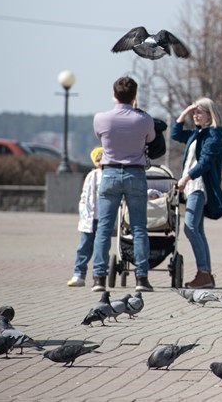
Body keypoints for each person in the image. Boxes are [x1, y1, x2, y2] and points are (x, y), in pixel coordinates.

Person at [92, 76, 156, 292]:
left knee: (104, 227)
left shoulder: (101, 118)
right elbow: (150, 139)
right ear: (135, 95)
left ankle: (99, 278)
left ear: (114, 93)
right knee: (138, 228)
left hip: (109, 173)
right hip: (135, 174)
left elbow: (101, 137)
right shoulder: (144, 119)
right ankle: (141, 278)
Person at [172, 97, 222, 289]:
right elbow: (175, 135)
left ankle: (204, 273)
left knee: (190, 228)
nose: (195, 115)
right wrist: (184, 114)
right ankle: (206, 275)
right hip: (191, 186)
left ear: (209, 115)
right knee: (198, 230)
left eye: (199, 112)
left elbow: (204, 163)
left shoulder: (213, 136)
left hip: (198, 187)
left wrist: (186, 178)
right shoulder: (199, 133)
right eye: (194, 112)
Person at [67, 147, 104, 287]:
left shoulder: (110, 175)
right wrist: (83, 212)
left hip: (103, 218)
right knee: (84, 247)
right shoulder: (91, 175)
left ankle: (98, 274)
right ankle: (79, 274)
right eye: (98, 159)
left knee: (100, 248)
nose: (101, 162)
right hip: (89, 218)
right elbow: (85, 195)